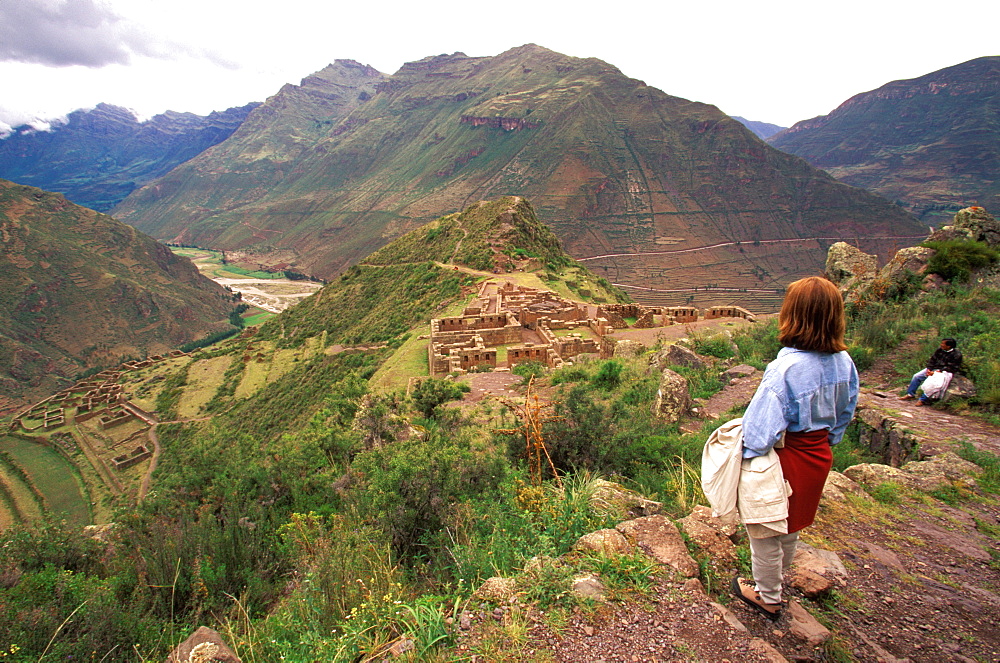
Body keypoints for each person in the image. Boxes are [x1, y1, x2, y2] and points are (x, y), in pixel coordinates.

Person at [731, 276, 859, 620]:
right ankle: (778, 577)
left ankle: (767, 595)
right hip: (818, 456)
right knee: (793, 521)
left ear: (791, 315)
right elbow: (846, 411)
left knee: (764, 530)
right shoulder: (845, 362)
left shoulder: (785, 369)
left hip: (787, 457)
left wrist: (740, 460)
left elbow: (759, 433)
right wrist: (826, 442)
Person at [900, 338, 963, 406]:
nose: (941, 345)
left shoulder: (957, 354)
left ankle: (922, 399)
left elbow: (952, 366)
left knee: (934, 383)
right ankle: (910, 394)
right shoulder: (939, 350)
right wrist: (929, 369)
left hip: (945, 371)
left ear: (949, 346)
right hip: (934, 368)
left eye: (943, 344)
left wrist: (938, 372)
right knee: (917, 376)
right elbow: (932, 360)